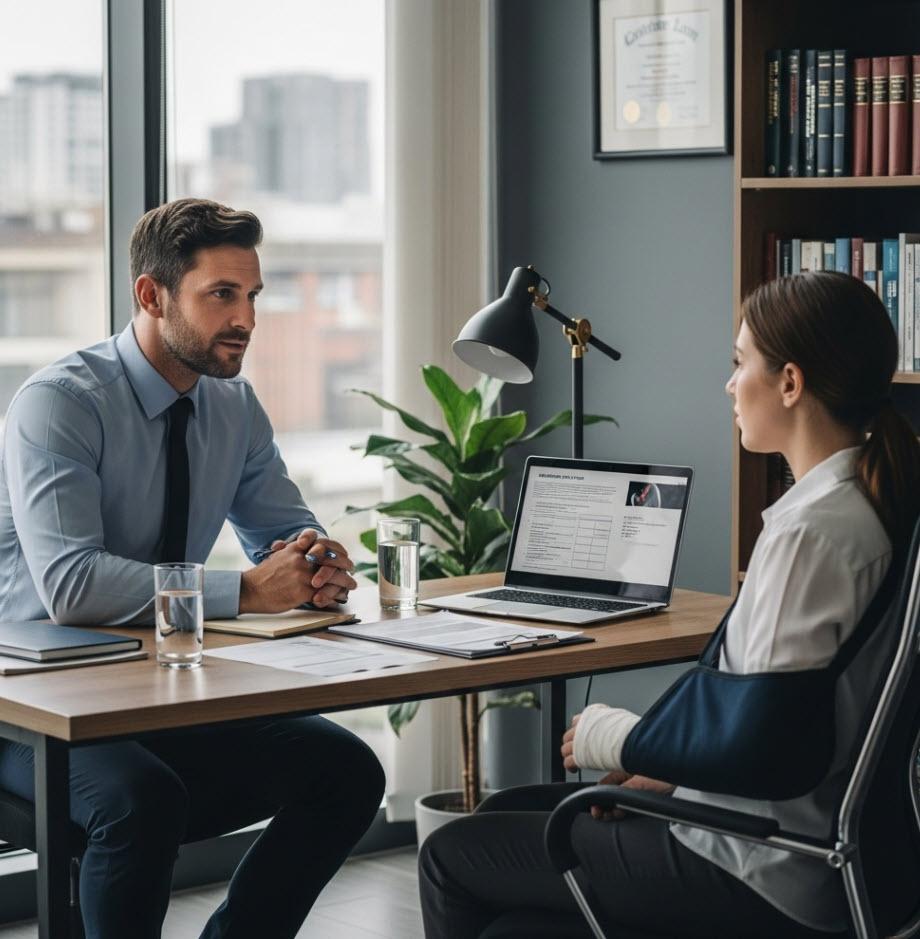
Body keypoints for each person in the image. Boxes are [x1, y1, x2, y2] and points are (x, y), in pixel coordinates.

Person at [418, 271, 920, 939]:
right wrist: (668, 770)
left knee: (451, 855)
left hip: (755, 861)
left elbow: (765, 739)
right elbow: (775, 721)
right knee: (509, 841)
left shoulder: (814, 533)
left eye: (740, 363)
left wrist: (614, 734)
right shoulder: (867, 506)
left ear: (791, 384)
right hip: (793, 840)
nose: (728, 384)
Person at [0, 198, 385, 939]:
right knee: (140, 800)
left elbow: (283, 528)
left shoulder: (232, 406)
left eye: (251, 296)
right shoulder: (59, 404)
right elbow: (72, 586)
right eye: (221, 295)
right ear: (152, 296)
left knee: (347, 770)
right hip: (33, 704)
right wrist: (246, 589)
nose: (245, 317)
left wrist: (316, 561)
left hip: (155, 688)